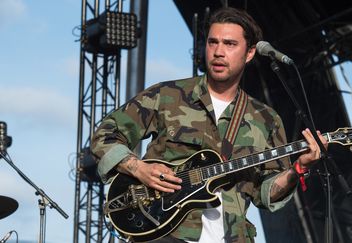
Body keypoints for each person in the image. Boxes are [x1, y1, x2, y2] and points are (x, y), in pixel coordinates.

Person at [91, 7, 327, 243]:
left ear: (250, 52)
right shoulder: (168, 95)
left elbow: (266, 193)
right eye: (213, 42)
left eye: (230, 44)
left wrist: (298, 169)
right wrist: (138, 168)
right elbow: (105, 135)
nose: (219, 52)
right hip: (164, 233)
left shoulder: (266, 119)